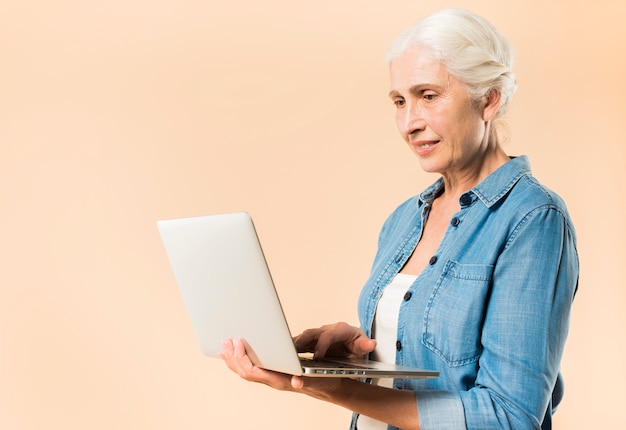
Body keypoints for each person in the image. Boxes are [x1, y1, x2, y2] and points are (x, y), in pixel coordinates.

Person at [220, 8, 579, 430]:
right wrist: (358, 358)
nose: (409, 123)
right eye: (399, 101)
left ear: (489, 98)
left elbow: (509, 417)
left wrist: (333, 389)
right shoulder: (404, 220)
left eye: (428, 95)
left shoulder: (532, 219)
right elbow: (424, 357)